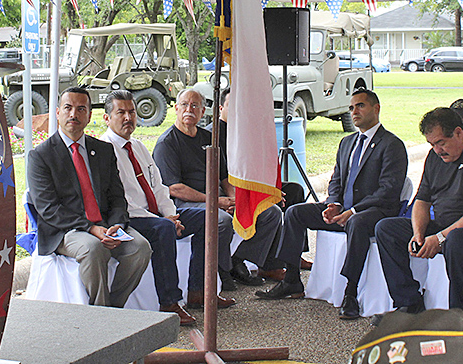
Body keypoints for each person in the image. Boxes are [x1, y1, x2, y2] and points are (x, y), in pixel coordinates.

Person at [255, 88, 408, 320]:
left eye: (360, 106)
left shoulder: (391, 145)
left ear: (376, 109)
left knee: (356, 222)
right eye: (351, 107)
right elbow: (336, 179)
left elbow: (389, 191)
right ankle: (292, 280)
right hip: (344, 210)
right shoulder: (347, 143)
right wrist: (334, 203)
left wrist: (353, 210)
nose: (354, 111)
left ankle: (350, 293)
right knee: (296, 213)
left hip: (373, 213)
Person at [375, 107, 463, 316]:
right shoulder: (434, 157)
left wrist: (440, 238)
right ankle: (409, 302)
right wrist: (419, 234)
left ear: (459, 132)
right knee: (386, 228)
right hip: (445, 224)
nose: (438, 150)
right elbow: (422, 199)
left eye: (441, 143)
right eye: (432, 144)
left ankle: (459, 317)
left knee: (456, 240)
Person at [27, 87, 152, 308]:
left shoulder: (103, 150)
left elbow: (117, 197)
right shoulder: (41, 156)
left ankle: (113, 307)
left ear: (89, 115)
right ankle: (100, 315)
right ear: (57, 112)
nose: (73, 114)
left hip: (105, 224)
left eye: (81, 109)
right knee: (94, 249)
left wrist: (116, 225)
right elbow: (48, 209)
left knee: (140, 249)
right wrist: (91, 228)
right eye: (68, 108)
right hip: (65, 229)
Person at [100, 90, 217, 325]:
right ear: (107, 118)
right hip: (132, 217)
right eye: (120, 112)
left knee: (209, 218)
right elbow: (121, 200)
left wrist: (171, 214)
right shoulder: (104, 150)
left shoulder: (138, 146)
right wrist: (165, 221)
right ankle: (170, 302)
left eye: (131, 112)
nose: (127, 118)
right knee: (163, 229)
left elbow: (159, 186)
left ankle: (197, 289)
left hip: (156, 213)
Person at [153, 88, 283, 292]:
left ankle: (238, 259)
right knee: (220, 220)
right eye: (185, 105)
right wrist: (214, 201)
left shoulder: (208, 138)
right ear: (176, 108)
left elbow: (224, 176)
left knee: (271, 212)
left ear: (203, 111)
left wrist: (234, 200)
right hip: (188, 203)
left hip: (217, 198)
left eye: (195, 105)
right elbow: (175, 188)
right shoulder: (167, 143)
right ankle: (222, 270)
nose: (189, 109)